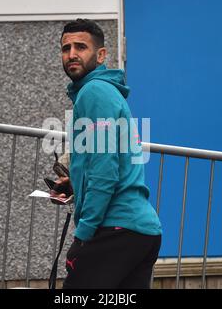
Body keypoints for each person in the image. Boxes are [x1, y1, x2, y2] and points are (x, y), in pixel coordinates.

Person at [51, 18, 162, 289]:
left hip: (116, 229)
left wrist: (84, 235)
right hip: (138, 231)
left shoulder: (95, 92)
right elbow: (105, 162)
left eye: (81, 47)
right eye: (66, 48)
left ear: (101, 55)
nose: (72, 54)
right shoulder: (104, 93)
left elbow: (105, 170)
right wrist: (76, 184)